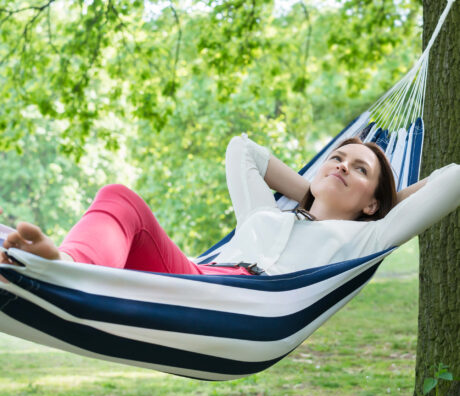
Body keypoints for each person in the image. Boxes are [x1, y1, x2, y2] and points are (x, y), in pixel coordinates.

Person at [1, 135, 459, 278]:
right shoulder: (263, 214)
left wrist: (382, 207)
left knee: (123, 199)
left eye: (359, 169)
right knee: (119, 197)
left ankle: (61, 267)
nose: (341, 165)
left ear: (373, 201)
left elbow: (452, 179)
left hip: (243, 306)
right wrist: (316, 189)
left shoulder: (366, 239)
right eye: (335, 158)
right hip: (197, 280)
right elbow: (244, 150)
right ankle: (63, 263)